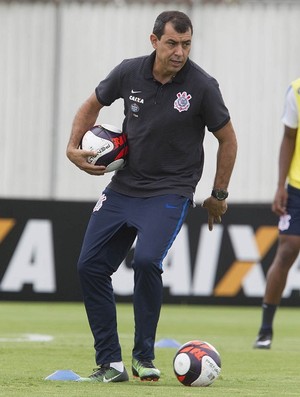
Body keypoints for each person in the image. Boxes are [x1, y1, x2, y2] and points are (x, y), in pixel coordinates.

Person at [66, 10, 237, 382]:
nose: (180, 52)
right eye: (173, 43)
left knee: (145, 261)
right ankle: (110, 364)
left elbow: (227, 138)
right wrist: (72, 148)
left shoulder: (203, 86)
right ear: (154, 40)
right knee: (89, 266)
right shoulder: (129, 72)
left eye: (187, 44)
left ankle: (143, 356)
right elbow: (91, 105)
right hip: (124, 187)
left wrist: (218, 193)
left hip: (171, 191)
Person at [254, 78, 300, 349]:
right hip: (297, 187)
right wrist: (280, 185)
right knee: (287, 249)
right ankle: (265, 329)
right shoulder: (297, 89)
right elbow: (289, 137)